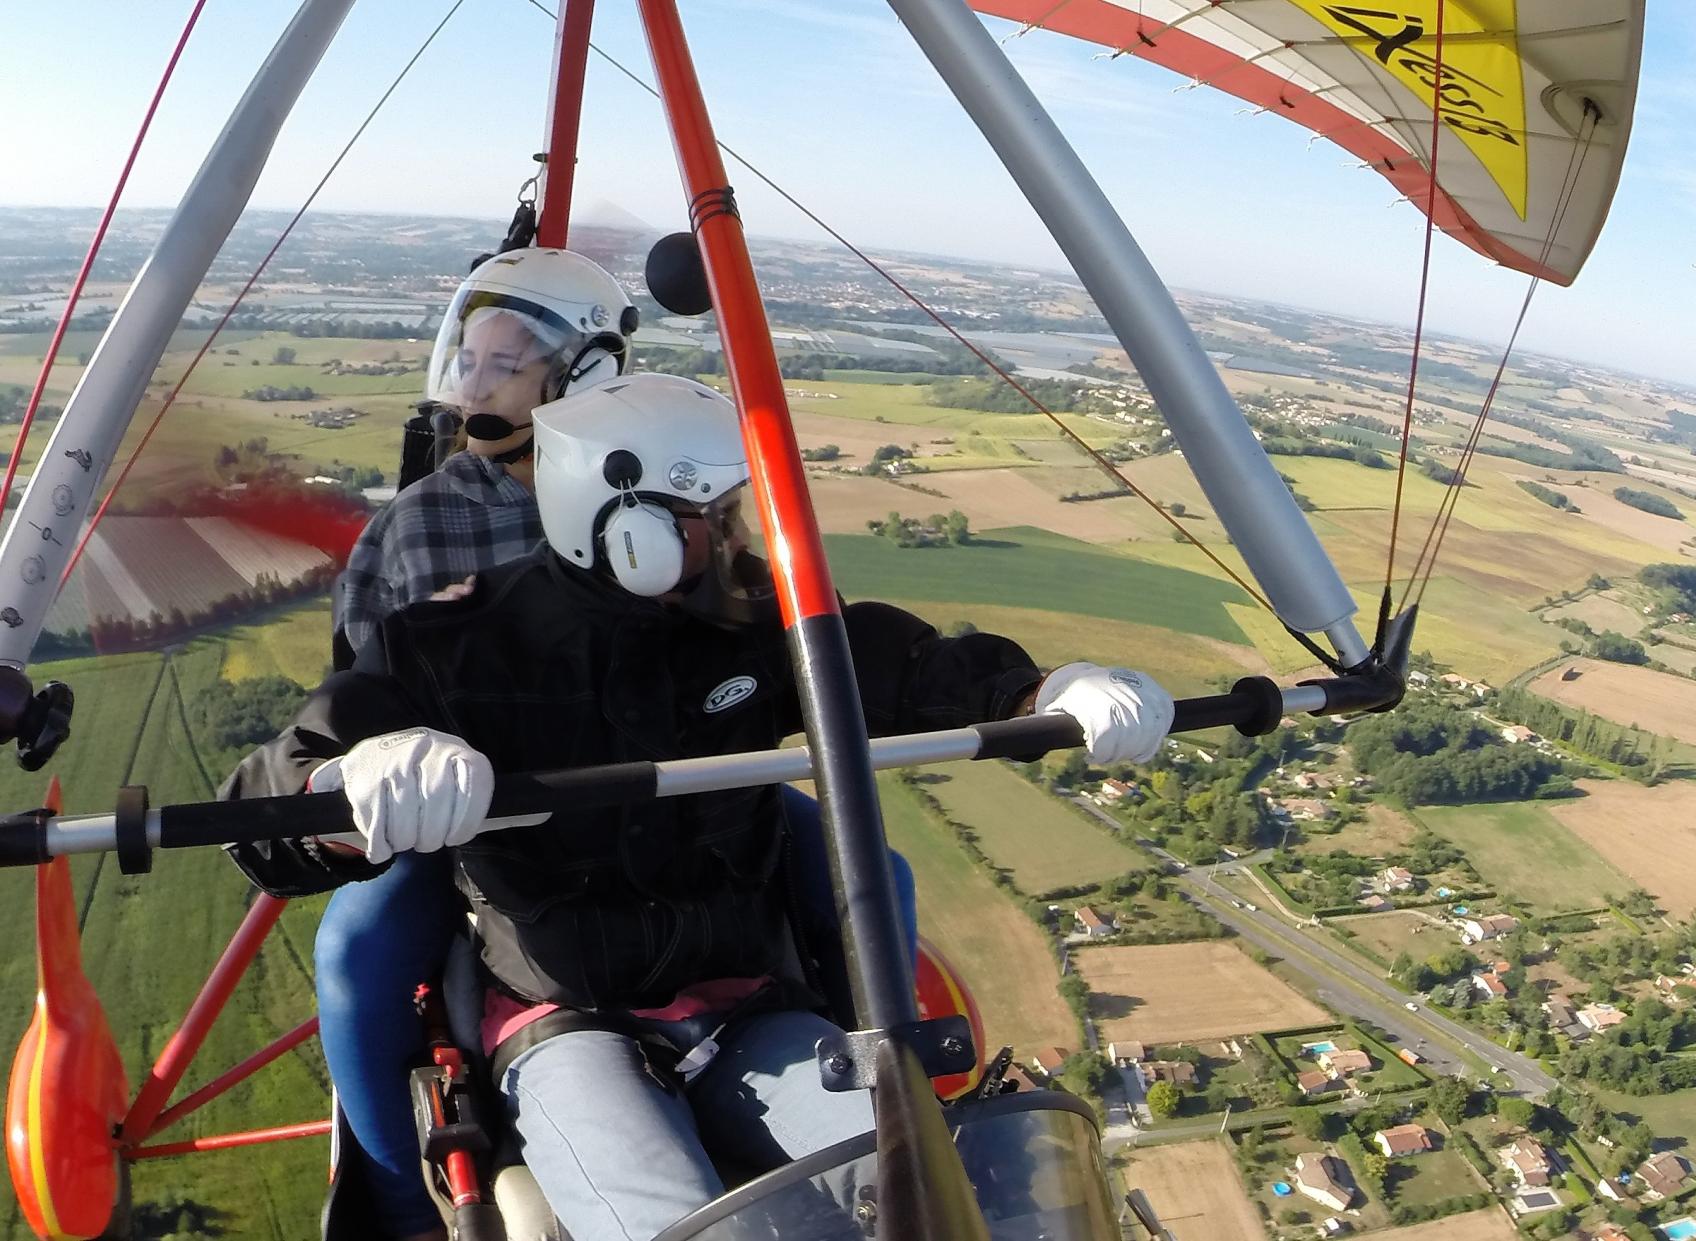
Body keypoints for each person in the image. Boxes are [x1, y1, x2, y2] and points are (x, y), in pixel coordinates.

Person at [225, 373, 1175, 1240]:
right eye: (714, 514)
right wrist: (353, 778)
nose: (734, 535)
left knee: (937, 1195)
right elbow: (273, 801)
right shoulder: (450, 643)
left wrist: (1034, 692)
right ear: (624, 521)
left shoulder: (748, 616)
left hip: (751, 1006)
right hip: (569, 1022)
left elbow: (891, 668)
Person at [311, 248, 918, 1239]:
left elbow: (747, 615)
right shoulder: (422, 526)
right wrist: (384, 757)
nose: (476, 380)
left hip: (661, 786)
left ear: (584, 371)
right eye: (471, 354)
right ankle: (391, 1193)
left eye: (504, 358)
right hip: (493, 814)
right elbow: (367, 680)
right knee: (358, 940)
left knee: (871, 868)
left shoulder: (658, 474)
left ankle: (881, 1048)